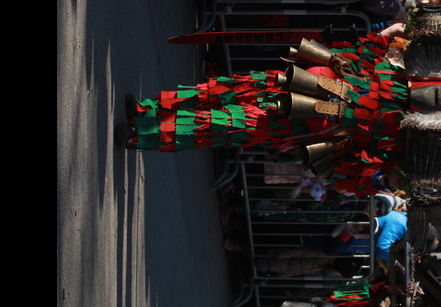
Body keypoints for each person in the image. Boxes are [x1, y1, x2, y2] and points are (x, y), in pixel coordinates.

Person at [117, 32, 408, 198]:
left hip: (292, 122)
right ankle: (148, 110)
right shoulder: (398, 73)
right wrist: (385, 44)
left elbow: (356, 179)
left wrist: (386, 181)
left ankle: (145, 134)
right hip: (292, 82)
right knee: (220, 91)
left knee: (222, 125)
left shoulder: (400, 150)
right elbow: (362, 52)